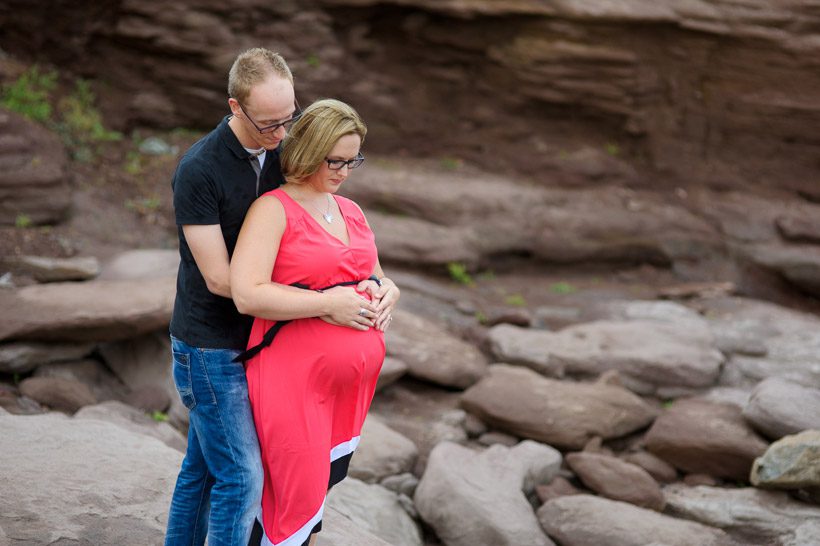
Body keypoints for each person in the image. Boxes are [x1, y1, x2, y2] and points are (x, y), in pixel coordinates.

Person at [166, 48, 398, 546]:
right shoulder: (199, 170)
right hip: (214, 343)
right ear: (235, 107)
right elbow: (227, 283)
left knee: (204, 467)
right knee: (242, 476)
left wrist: (375, 287)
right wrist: (328, 302)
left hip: (264, 341)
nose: (281, 134)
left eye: (289, 119)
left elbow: (317, 220)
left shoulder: (285, 153)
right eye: (269, 123)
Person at [230, 98, 397, 546]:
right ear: (307, 150)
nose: (344, 171)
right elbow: (248, 293)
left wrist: (390, 291)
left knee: (314, 493)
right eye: (335, 160)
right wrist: (327, 305)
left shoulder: (351, 211)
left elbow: (374, 274)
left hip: (347, 389)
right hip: (291, 378)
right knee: (291, 494)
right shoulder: (273, 209)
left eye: (352, 160)